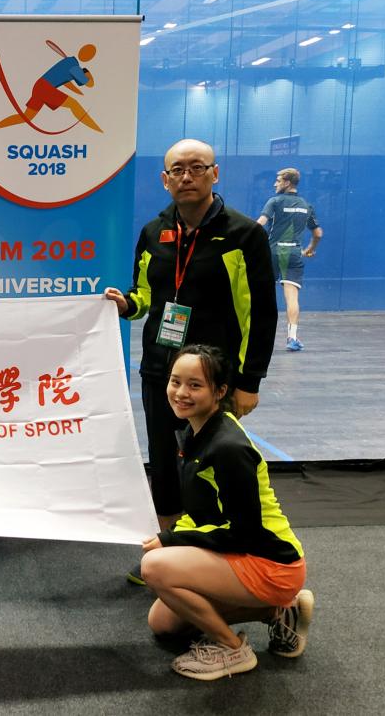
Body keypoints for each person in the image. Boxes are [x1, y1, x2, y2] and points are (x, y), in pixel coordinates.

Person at [104, 139, 277, 585]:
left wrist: (249, 380)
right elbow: (146, 295)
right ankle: (169, 548)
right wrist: (127, 304)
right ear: (165, 180)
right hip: (163, 375)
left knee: (209, 467)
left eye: (197, 167)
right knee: (164, 462)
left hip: (214, 380)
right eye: (177, 170)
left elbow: (261, 313)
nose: (187, 176)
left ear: (214, 174)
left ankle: (217, 560)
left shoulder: (244, 235)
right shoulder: (153, 232)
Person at [139, 344, 312, 681]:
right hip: (244, 553)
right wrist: (169, 538)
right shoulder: (197, 430)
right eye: (175, 381)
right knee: (163, 623)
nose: (181, 393)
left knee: (155, 567)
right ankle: (279, 611)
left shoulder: (227, 448)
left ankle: (232, 649)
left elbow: (244, 532)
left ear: (219, 392)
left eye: (195, 385)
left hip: (272, 563)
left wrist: (170, 540)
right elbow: (204, 512)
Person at [257, 168, 323, 352]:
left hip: (272, 253)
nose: (275, 184)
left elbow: (259, 224)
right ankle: (292, 338)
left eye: (278, 180)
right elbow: (318, 233)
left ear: (287, 183)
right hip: (293, 253)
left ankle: (257, 335)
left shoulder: (275, 201)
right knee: (292, 298)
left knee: (262, 295)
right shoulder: (306, 205)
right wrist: (310, 249)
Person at [0, 42, 102, 132]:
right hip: (45, 88)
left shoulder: (68, 62)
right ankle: (95, 128)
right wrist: (87, 73)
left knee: (26, 117)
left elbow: (65, 82)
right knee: (74, 104)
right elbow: (89, 84)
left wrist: (77, 90)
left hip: (39, 86)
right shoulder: (75, 68)